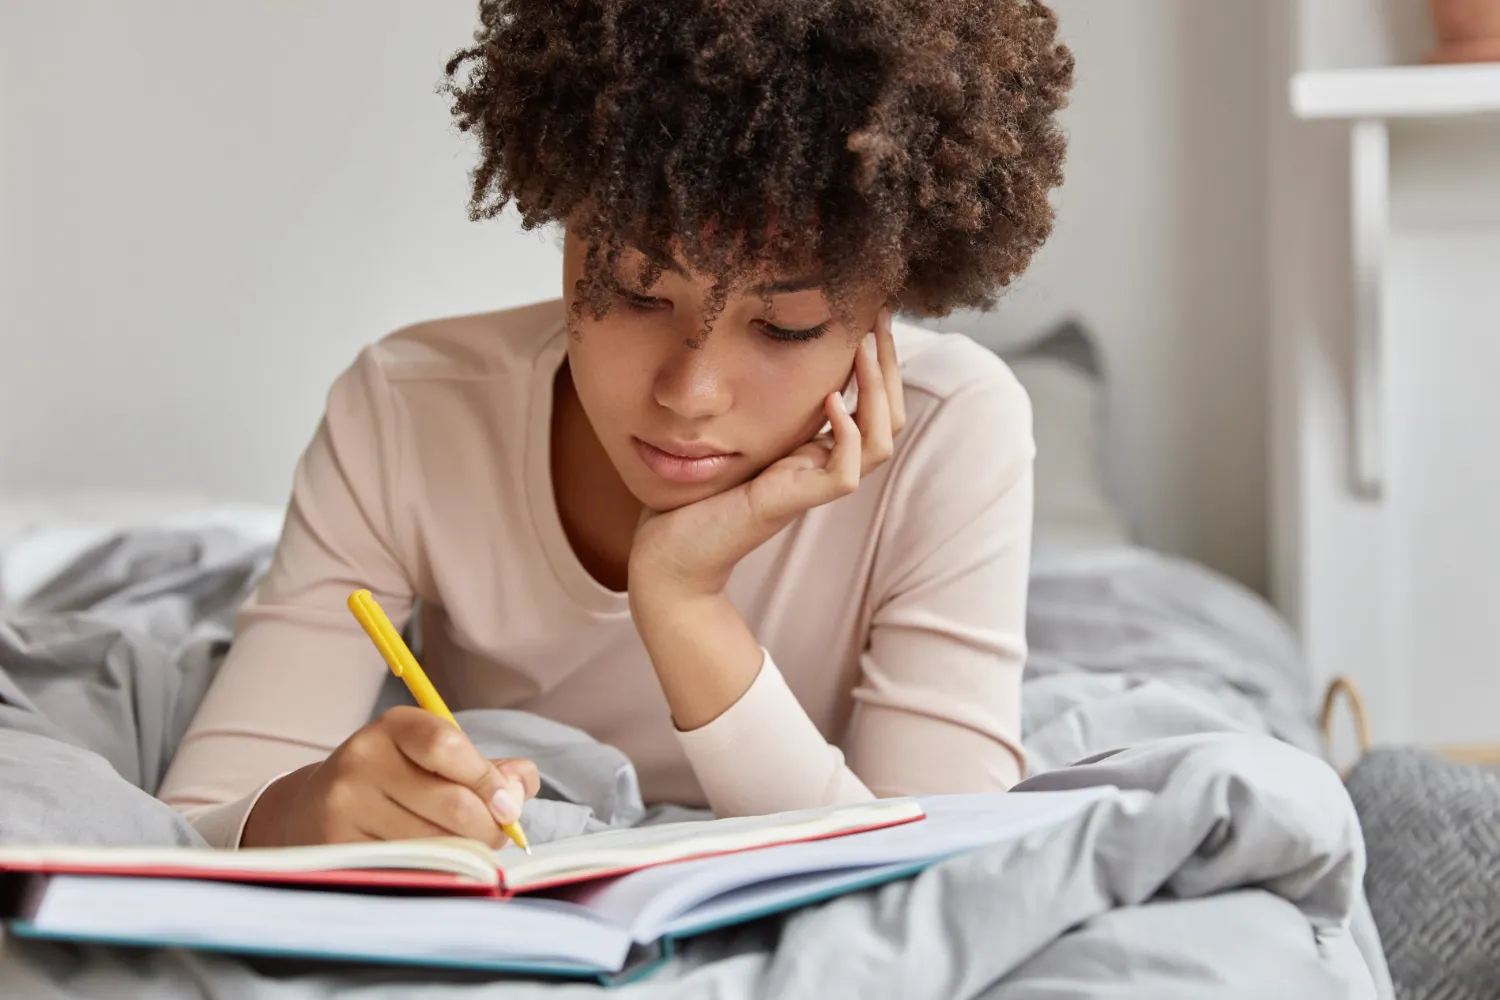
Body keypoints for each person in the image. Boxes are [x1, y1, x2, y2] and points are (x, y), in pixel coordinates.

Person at [158, 0, 1074, 849]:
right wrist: (299, 811)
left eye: (785, 325)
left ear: (891, 297)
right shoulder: (407, 412)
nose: (691, 392)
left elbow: (947, 873)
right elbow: (189, 826)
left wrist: (682, 599)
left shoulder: (954, 432)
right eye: (634, 293)